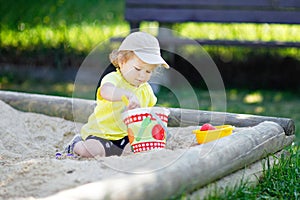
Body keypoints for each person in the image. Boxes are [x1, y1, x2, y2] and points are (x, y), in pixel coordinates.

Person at [59, 32, 170, 158]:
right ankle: (76, 143)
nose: (142, 75)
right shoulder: (113, 79)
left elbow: (147, 116)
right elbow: (105, 91)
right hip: (101, 135)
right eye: (138, 69)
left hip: (127, 137)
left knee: (138, 151)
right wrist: (127, 95)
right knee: (90, 152)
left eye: (148, 71)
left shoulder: (146, 91)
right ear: (122, 61)